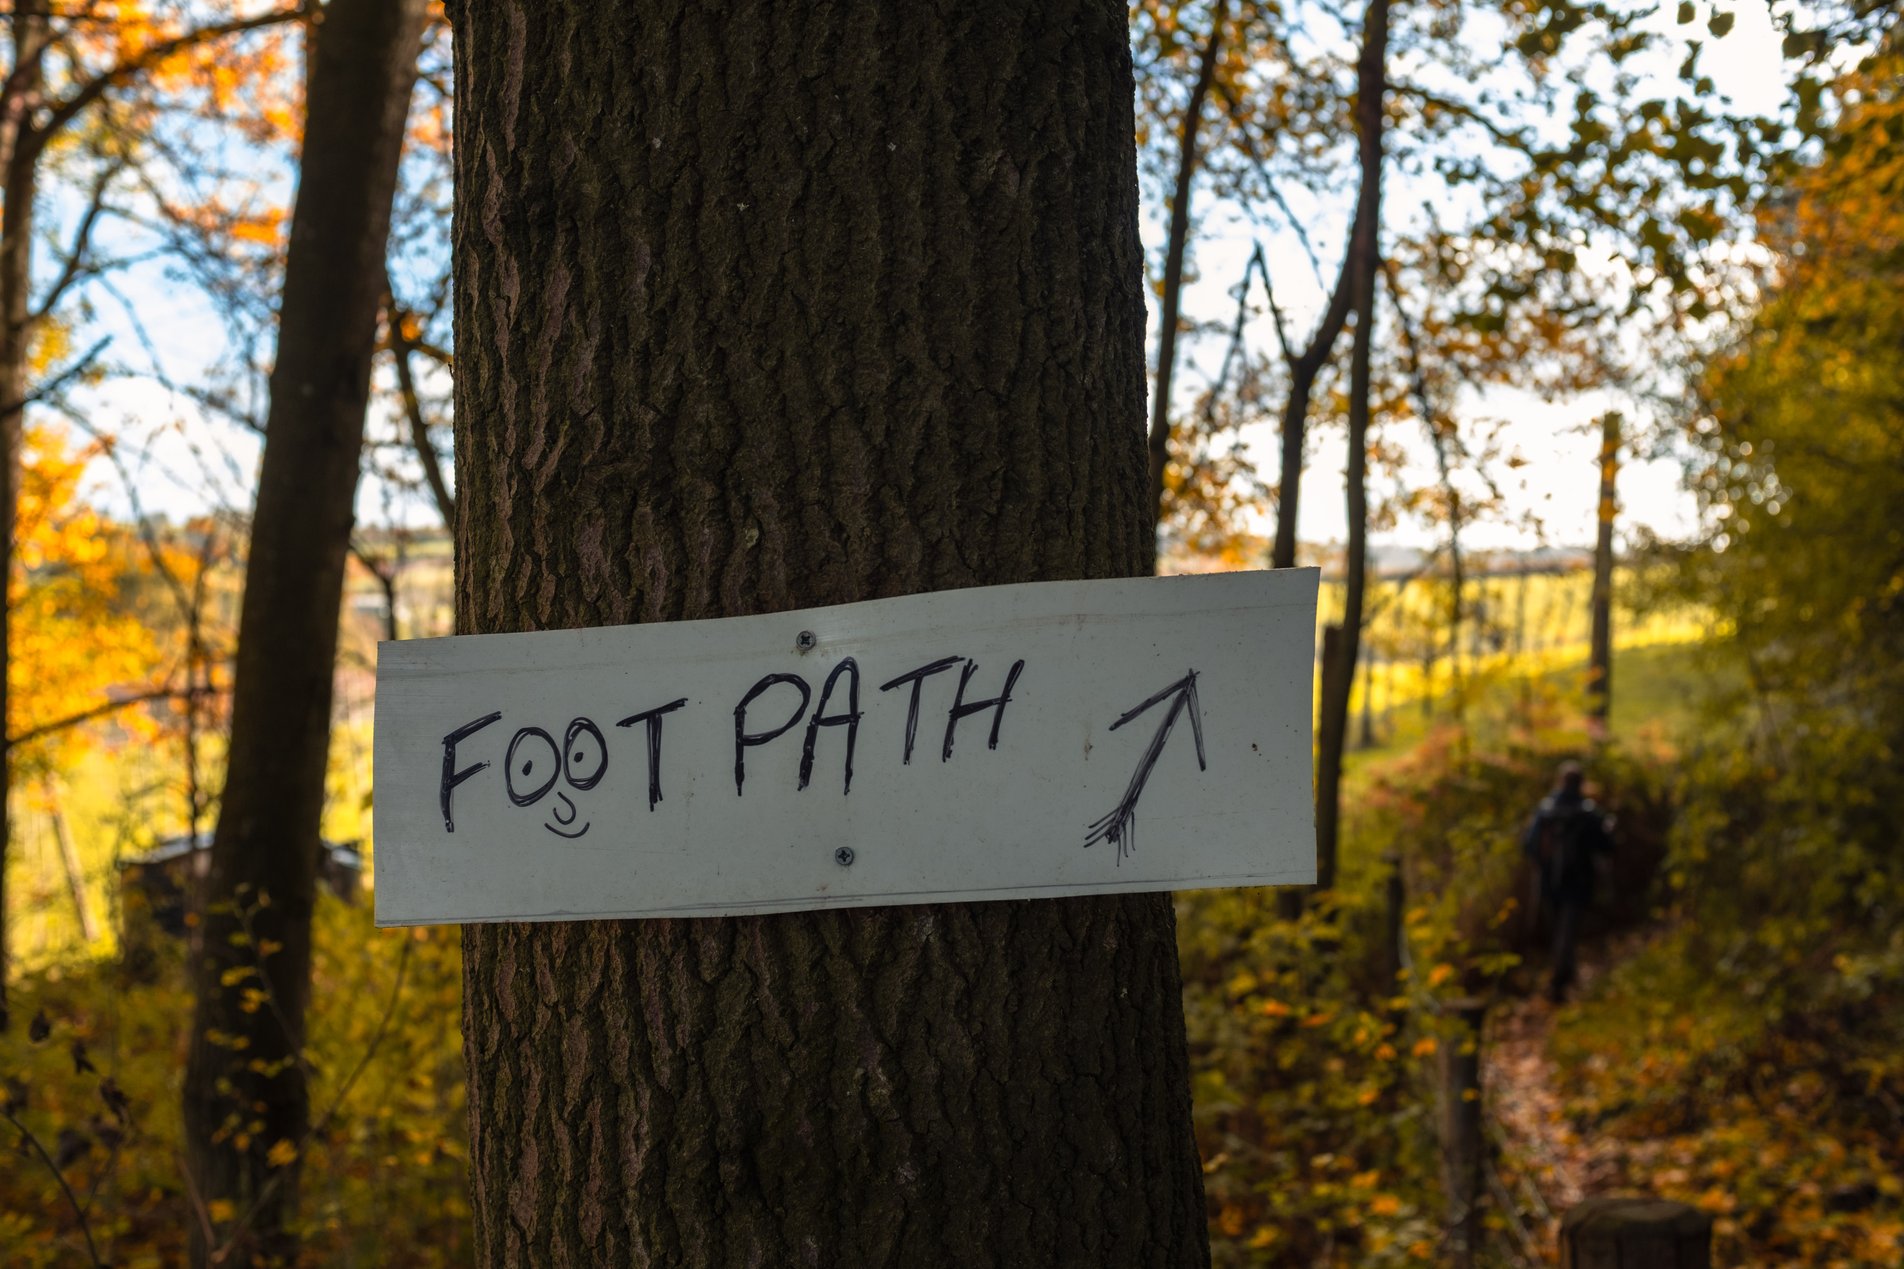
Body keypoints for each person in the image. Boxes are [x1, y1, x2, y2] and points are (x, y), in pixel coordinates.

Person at [1521, 760, 1614, 1003]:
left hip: (1549, 880)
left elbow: (1529, 846)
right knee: (1567, 930)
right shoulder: (1587, 812)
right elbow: (1606, 845)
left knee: (1559, 929)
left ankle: (1563, 975)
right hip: (1578, 880)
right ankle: (1560, 980)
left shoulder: (1545, 810)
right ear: (1581, 783)